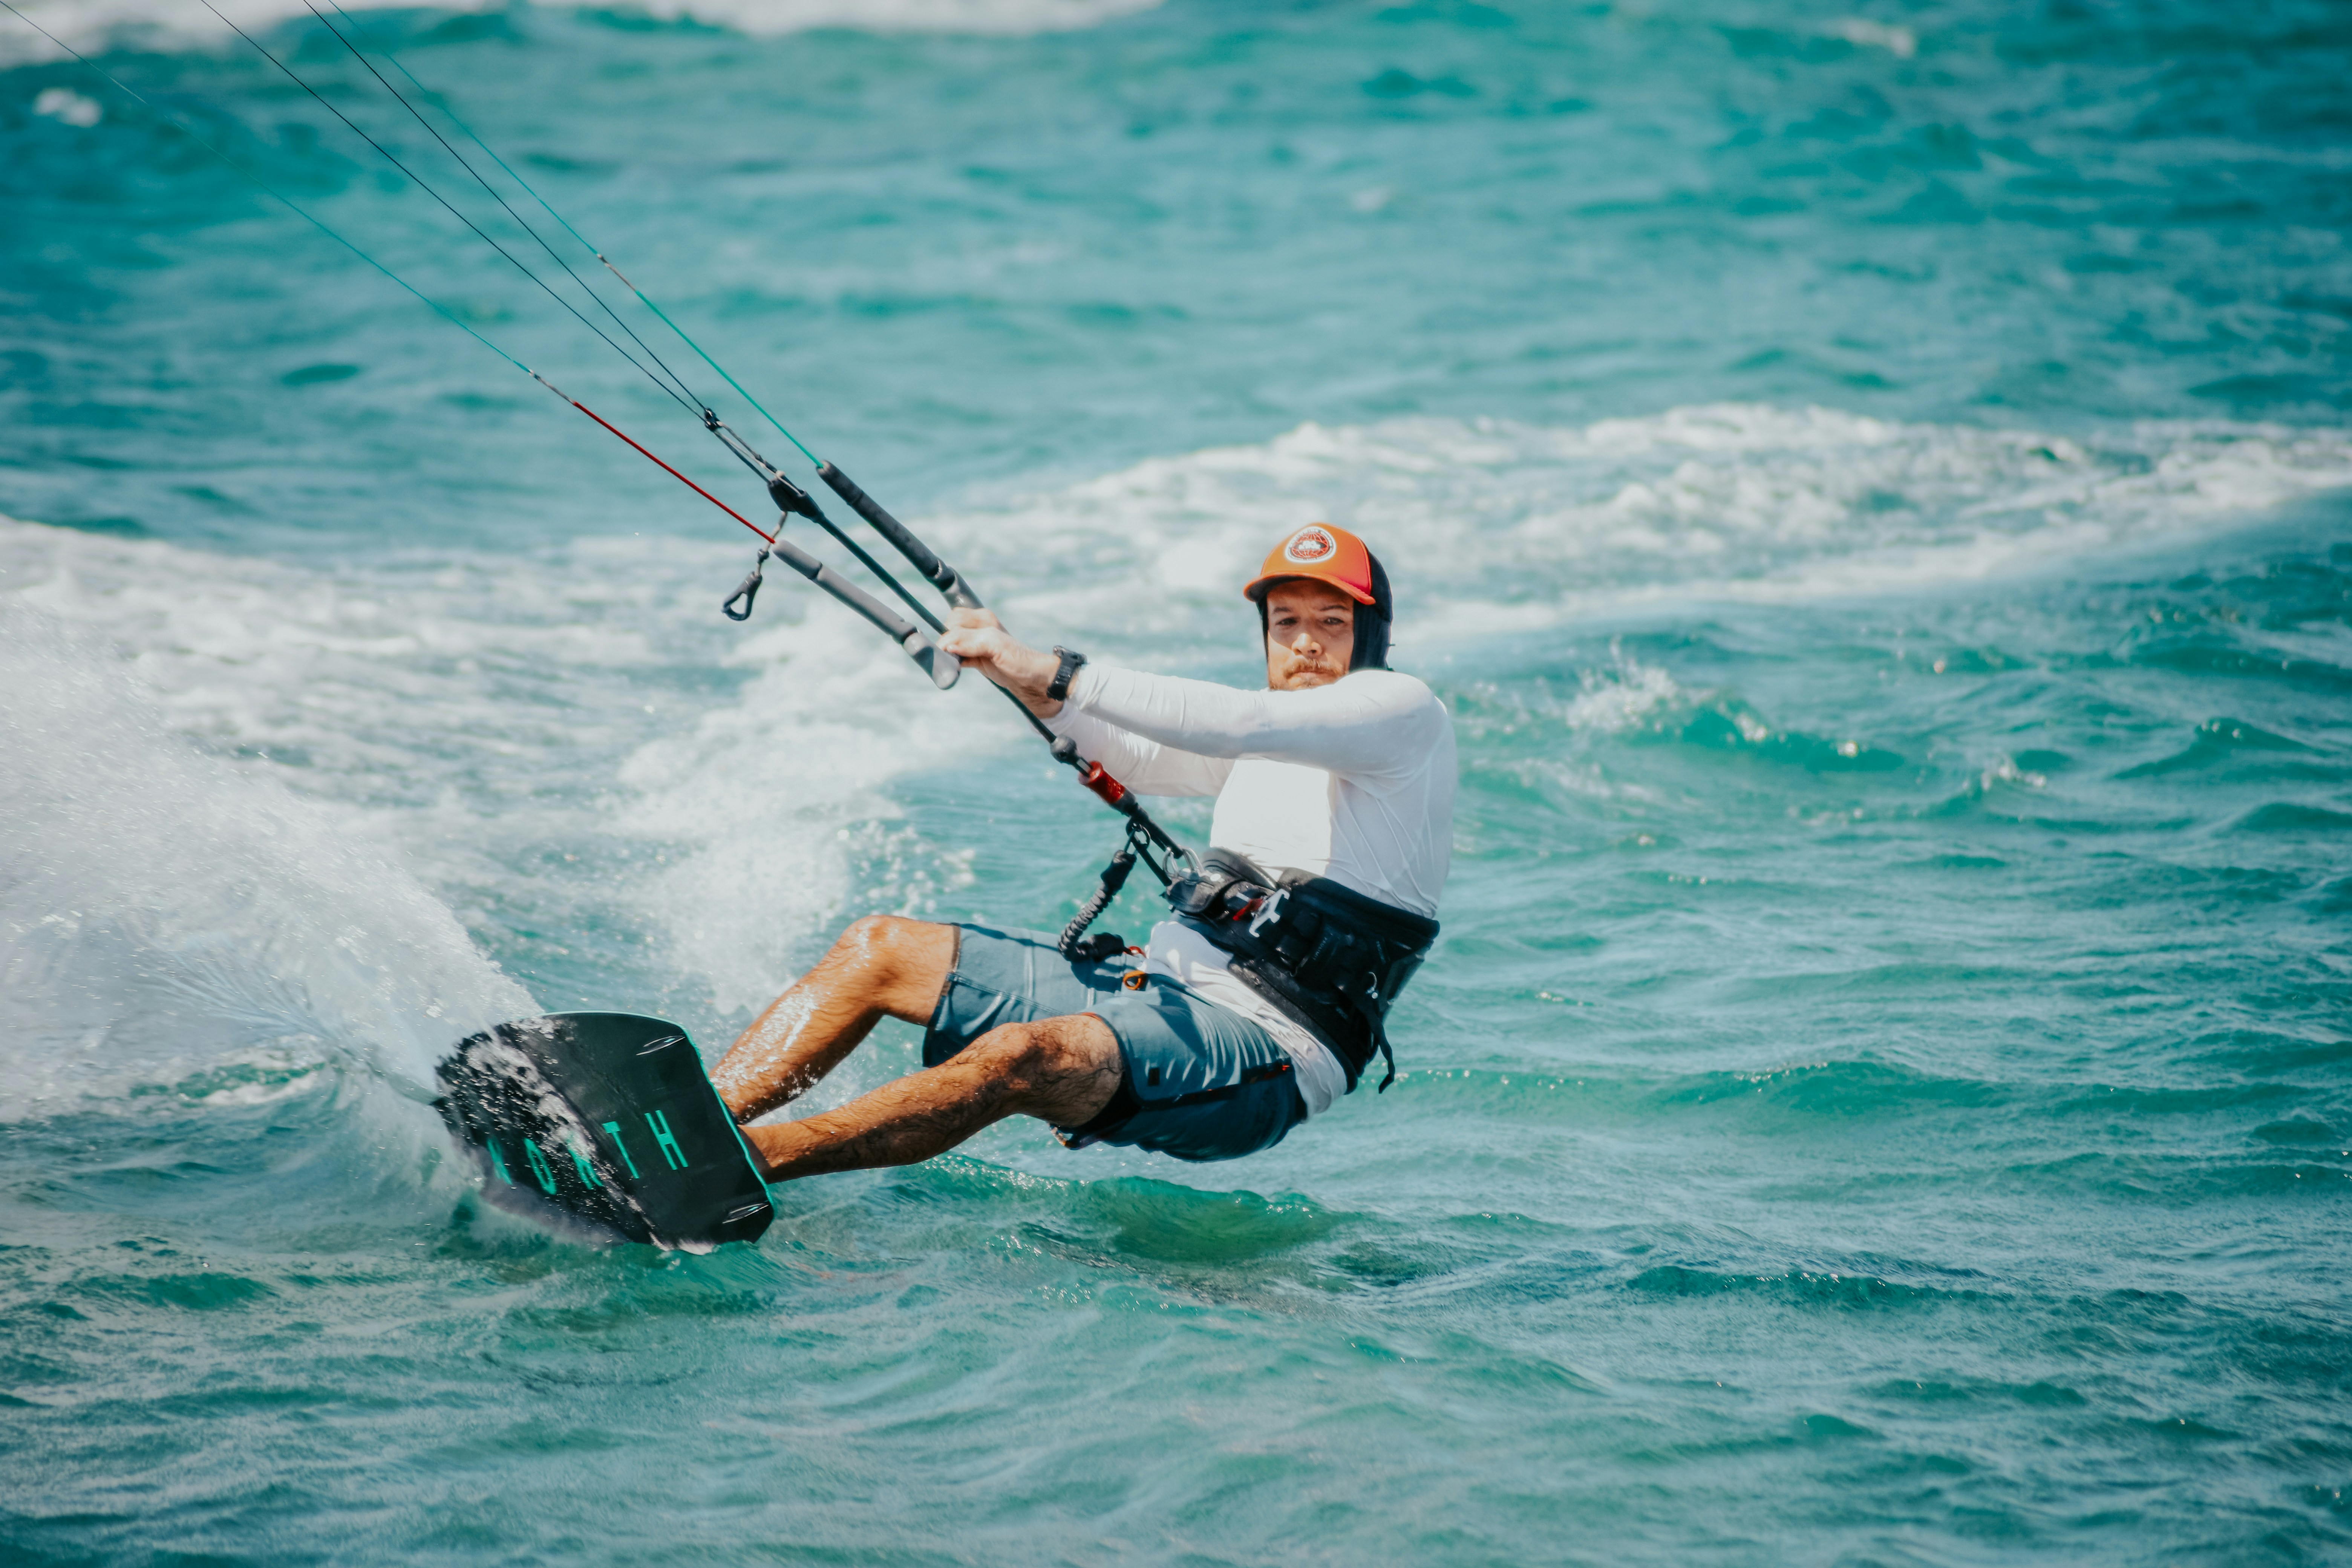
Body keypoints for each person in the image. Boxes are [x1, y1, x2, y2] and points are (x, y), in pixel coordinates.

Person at [709, 522, 1456, 1180]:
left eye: (1331, 621)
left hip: (1269, 1053)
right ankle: (698, 1123)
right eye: (1285, 620)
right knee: (879, 949)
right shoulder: (1269, 748)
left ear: (1373, 636)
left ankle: (746, 1164)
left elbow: (1236, 721)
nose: (1303, 641)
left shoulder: (1405, 716)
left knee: (1019, 1058)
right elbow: (1126, 750)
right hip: (1159, 987)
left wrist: (1051, 666)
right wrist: (1023, 680)